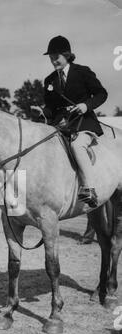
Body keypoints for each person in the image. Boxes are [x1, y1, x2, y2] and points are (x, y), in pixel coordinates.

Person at [43, 36, 108, 208]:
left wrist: (86, 105)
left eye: (56, 56)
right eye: (50, 57)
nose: (53, 60)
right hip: (61, 125)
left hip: (84, 123)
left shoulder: (82, 72)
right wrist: (42, 111)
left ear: (67, 55)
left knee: (77, 146)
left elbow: (102, 94)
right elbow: (50, 108)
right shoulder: (49, 80)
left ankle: (89, 188)